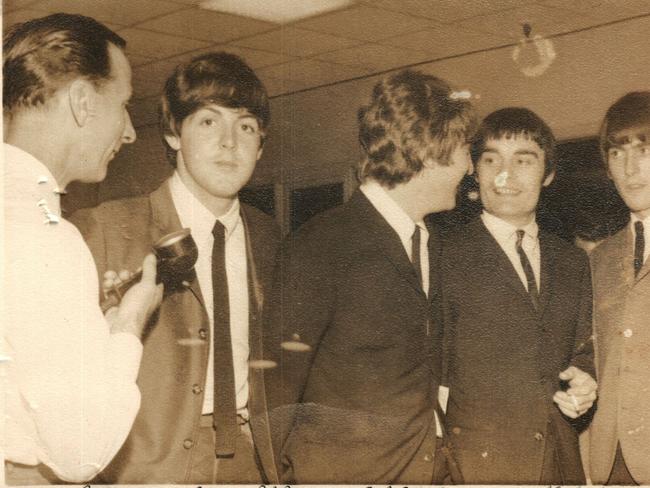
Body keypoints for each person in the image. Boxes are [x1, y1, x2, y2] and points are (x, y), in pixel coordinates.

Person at [71, 52, 280, 484]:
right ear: (172, 134)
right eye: (208, 121)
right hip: (146, 469)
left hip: (252, 460)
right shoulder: (105, 231)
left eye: (245, 126)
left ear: (260, 145)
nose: (229, 142)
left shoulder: (271, 238)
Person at [265, 69, 477, 484]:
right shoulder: (321, 244)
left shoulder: (429, 244)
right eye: (466, 151)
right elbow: (276, 388)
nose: (469, 168)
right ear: (432, 151)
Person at [3, 13, 163, 485]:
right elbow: (81, 451)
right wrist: (130, 325)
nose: (130, 131)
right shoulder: (46, 233)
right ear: (81, 102)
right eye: (124, 104)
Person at [440, 107, 597, 484]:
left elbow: (584, 350)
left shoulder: (574, 261)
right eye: (491, 160)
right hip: (475, 470)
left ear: (549, 174)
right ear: (474, 171)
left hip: (559, 465)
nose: (505, 175)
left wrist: (586, 380)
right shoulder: (442, 255)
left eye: (523, 161)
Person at [588, 91, 650, 485]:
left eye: (644, 149)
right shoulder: (599, 258)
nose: (631, 168)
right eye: (617, 153)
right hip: (611, 465)